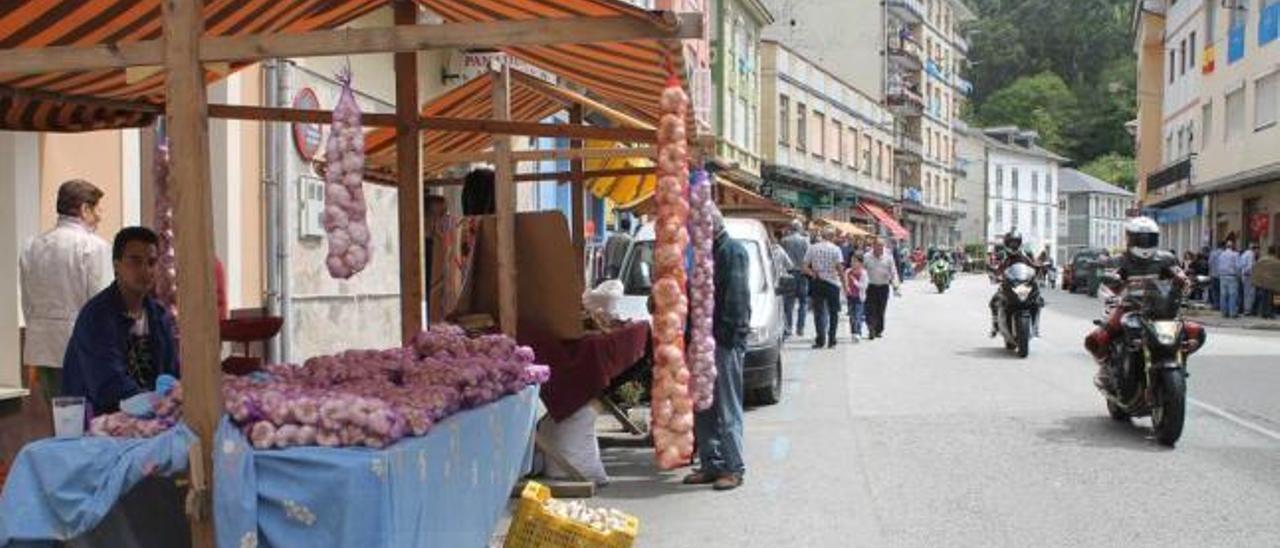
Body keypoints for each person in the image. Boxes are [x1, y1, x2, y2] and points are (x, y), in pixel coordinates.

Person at [62, 227, 179, 415]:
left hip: (151, 417)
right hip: (100, 422)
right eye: (135, 261)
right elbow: (107, 385)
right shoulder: (96, 316)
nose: (145, 270)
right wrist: (155, 404)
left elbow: (172, 374)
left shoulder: (159, 316)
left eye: (151, 262)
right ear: (116, 265)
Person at [19, 180, 114, 403]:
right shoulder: (94, 247)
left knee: (59, 419)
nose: (100, 216)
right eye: (97, 209)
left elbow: (27, 301)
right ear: (84, 209)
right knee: (85, 423)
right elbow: (101, 304)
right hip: (83, 349)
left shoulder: (32, 246)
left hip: (42, 346)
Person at [1084, 217, 1192, 387]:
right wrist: (1113, 287)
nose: (1144, 243)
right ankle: (1105, 368)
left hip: (1160, 308)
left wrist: (1185, 283)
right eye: (1140, 238)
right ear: (1129, 238)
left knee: (1194, 333)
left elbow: (1180, 277)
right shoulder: (1119, 260)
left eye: (1149, 238)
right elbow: (1107, 281)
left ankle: (1178, 361)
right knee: (1096, 339)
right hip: (1129, 306)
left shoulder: (1166, 259)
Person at [685, 209, 750, 491]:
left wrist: (722, 337)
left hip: (722, 340)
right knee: (704, 404)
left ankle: (734, 468)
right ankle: (711, 463)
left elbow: (735, 299)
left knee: (726, 405)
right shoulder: (706, 253)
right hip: (702, 339)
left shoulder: (732, 251)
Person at [988, 230, 1039, 336]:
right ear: (1007, 243)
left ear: (1020, 243)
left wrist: (1039, 269)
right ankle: (995, 325)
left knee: (1038, 300)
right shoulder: (1002, 255)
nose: (1013, 245)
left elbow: (1034, 265)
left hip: (1024, 284)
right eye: (1011, 243)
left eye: (1016, 242)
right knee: (994, 302)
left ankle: (1035, 327)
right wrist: (994, 274)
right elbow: (997, 269)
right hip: (1008, 283)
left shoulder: (1026, 254)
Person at [804, 227, 844, 349]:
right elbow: (839, 268)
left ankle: (820, 340)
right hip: (832, 283)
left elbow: (804, 267)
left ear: (822, 235)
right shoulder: (836, 249)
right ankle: (832, 340)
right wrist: (845, 284)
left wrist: (813, 273)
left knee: (819, 312)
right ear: (832, 237)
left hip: (818, 282)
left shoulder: (813, 248)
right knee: (833, 313)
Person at [862, 239, 901, 339]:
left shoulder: (888, 257)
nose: (880, 248)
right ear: (873, 246)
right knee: (870, 309)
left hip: (883, 286)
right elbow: (862, 270)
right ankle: (871, 328)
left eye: (881, 246)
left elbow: (893, 271)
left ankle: (878, 330)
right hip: (870, 286)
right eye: (878, 246)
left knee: (881, 309)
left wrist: (895, 285)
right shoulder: (867, 256)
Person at [779, 221, 810, 338]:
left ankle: (788, 328)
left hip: (789, 273)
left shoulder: (784, 241)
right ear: (800, 229)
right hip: (802, 274)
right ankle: (800, 328)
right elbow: (808, 258)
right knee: (803, 302)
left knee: (789, 302)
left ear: (791, 228)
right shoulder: (805, 241)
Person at [844, 256, 869, 342]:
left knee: (858, 315)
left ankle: (858, 332)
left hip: (859, 297)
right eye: (852, 261)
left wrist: (855, 282)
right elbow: (845, 282)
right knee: (852, 316)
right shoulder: (848, 271)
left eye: (855, 261)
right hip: (850, 297)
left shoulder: (863, 273)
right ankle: (853, 332)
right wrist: (846, 289)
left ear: (860, 263)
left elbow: (864, 286)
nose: (853, 263)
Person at [600, 216, 634, 281]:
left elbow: (605, 253)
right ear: (629, 228)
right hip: (622, 267)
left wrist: (605, 267)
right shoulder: (629, 240)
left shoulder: (611, 238)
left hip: (610, 266)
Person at [1217, 239, 1241, 319]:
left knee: (1223, 295)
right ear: (1232, 246)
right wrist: (1238, 275)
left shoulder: (1221, 254)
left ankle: (1224, 313)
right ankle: (1232, 313)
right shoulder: (1235, 254)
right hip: (1232, 276)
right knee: (1232, 295)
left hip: (1222, 276)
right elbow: (1238, 266)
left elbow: (1219, 265)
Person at [1240, 241, 1258, 316]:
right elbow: (1250, 266)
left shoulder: (1244, 254)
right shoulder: (1251, 254)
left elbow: (1241, 264)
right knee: (1251, 294)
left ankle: (1246, 309)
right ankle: (1248, 310)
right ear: (1254, 249)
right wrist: (1248, 272)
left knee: (1246, 293)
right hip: (1249, 276)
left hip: (1244, 276)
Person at [1208, 241, 1225, 309]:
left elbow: (1209, 263)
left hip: (1213, 274)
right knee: (1222, 291)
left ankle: (1215, 305)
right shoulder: (1224, 253)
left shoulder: (1213, 253)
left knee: (1214, 291)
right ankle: (1221, 305)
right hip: (1221, 275)